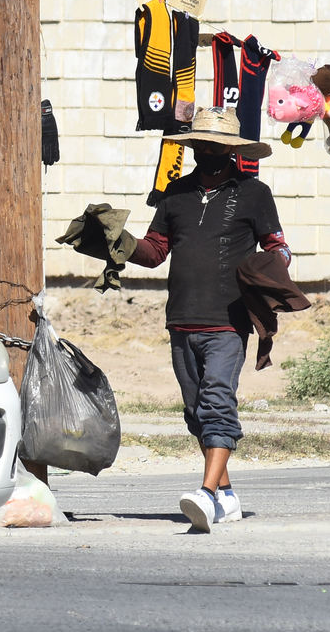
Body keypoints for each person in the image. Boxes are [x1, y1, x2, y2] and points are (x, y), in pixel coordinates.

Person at [128, 106, 291, 533]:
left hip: (228, 322)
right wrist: (117, 243)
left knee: (217, 403)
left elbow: (278, 246)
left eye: (217, 146)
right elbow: (154, 251)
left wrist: (272, 266)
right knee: (197, 413)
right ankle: (227, 496)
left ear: (232, 150)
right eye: (202, 144)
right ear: (194, 146)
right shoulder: (175, 194)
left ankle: (205, 493)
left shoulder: (254, 193)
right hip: (181, 320)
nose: (209, 151)